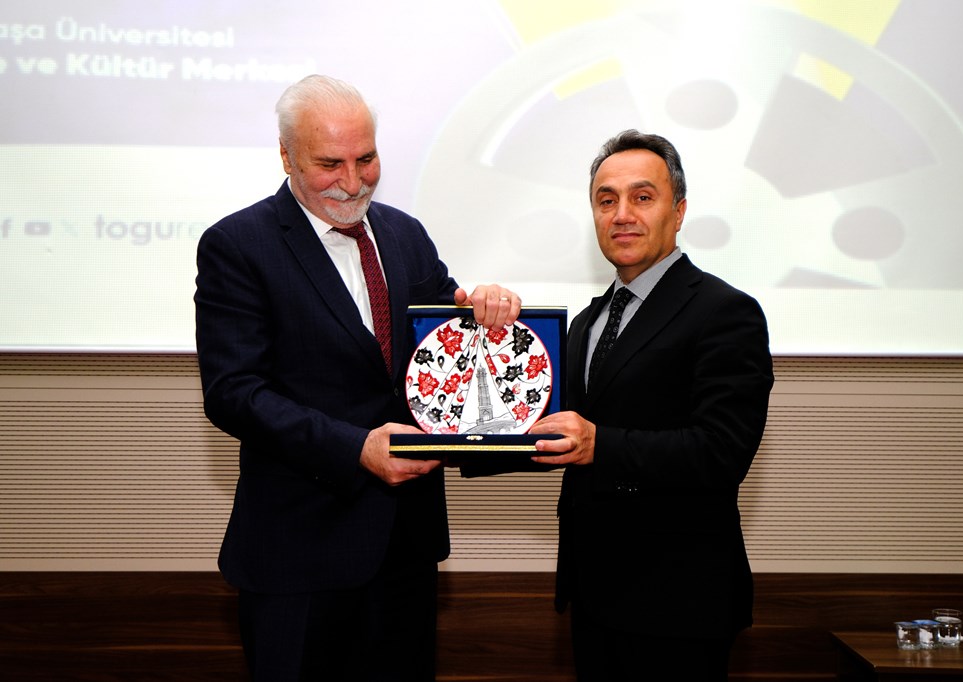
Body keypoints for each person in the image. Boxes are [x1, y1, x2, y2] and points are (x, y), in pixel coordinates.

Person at [194, 74, 521, 681]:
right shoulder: (237, 245)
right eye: (330, 164)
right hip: (298, 554)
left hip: (406, 549)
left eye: (366, 158)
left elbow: (444, 353)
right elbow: (234, 393)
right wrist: (355, 448)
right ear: (287, 156)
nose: (353, 181)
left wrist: (488, 315)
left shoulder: (405, 234)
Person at [529, 129, 774, 681]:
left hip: (678, 604)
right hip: (593, 596)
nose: (622, 215)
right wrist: (451, 437)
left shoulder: (725, 311)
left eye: (643, 197)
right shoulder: (587, 321)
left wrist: (601, 445)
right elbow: (554, 433)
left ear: (679, 211)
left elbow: (722, 451)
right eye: (606, 200)